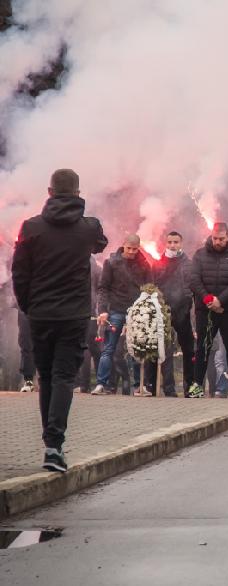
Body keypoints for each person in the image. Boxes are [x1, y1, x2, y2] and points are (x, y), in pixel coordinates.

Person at [12, 168, 108, 472]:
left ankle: (50, 442)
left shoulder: (30, 228)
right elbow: (101, 243)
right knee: (64, 377)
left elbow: (19, 274)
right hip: (74, 315)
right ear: (79, 194)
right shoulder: (89, 228)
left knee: (47, 377)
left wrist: (28, 306)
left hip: (40, 314)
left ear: (49, 192)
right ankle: (54, 446)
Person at [189, 223, 228, 398]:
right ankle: (198, 385)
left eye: (221, 239)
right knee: (202, 348)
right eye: (215, 238)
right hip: (204, 309)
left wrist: (220, 300)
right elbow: (194, 280)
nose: (218, 242)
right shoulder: (200, 254)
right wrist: (209, 300)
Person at [92, 234, 153, 395]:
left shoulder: (145, 265)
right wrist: (103, 310)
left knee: (138, 349)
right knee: (109, 348)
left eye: (135, 249)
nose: (132, 252)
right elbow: (103, 288)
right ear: (123, 245)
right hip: (116, 311)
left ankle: (140, 386)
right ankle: (101, 384)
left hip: (137, 313)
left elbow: (150, 289)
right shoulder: (111, 263)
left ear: (139, 247)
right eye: (129, 248)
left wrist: (147, 311)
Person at [149, 231, 195, 397]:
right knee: (162, 351)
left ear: (181, 244)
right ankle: (165, 388)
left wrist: (187, 307)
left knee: (189, 350)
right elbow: (153, 286)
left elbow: (191, 288)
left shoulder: (188, 264)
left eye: (176, 242)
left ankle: (190, 387)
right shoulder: (158, 264)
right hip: (163, 312)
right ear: (165, 243)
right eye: (170, 242)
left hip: (182, 311)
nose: (173, 245)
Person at [73, 256, 102, 393]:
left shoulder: (76, 265)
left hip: (81, 311)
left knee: (84, 345)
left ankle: (83, 384)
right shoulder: (97, 268)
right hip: (89, 311)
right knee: (91, 346)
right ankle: (99, 382)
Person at [16, 306, 35, 392]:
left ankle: (74, 382)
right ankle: (28, 381)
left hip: (46, 309)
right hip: (25, 310)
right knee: (26, 346)